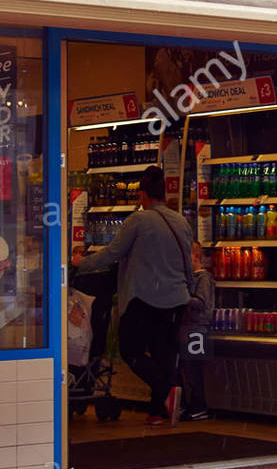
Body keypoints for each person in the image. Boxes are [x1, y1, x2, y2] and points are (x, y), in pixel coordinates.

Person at [75, 165, 192, 426]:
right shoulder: (182, 221)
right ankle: (158, 411)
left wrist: (79, 263)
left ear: (142, 195)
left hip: (145, 299)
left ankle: (167, 389)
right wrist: (190, 291)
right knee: (164, 353)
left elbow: (111, 254)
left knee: (132, 351)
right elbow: (187, 263)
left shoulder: (138, 221)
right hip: (176, 299)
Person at [178, 240, 213, 421]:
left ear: (195, 256)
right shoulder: (191, 278)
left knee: (193, 369)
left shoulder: (203, 278)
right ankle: (190, 405)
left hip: (197, 328)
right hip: (189, 328)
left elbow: (200, 303)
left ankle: (199, 405)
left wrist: (181, 296)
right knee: (187, 368)